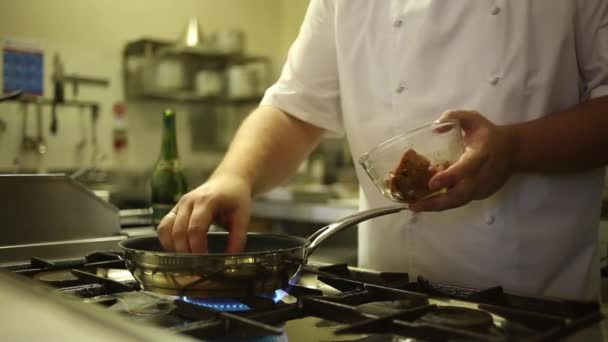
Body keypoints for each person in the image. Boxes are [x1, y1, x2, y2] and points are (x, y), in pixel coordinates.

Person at [158, 1, 608, 301]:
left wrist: (514, 149)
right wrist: (233, 176)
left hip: (538, 306)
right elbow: (296, 107)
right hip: (386, 303)